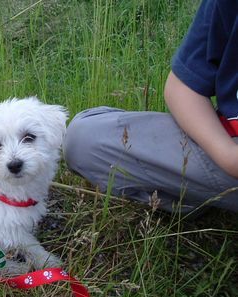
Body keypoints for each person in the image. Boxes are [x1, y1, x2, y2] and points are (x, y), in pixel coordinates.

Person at [63, 0, 238, 214]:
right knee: (84, 139)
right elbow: (182, 88)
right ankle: (197, 197)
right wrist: (228, 156)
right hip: (227, 151)